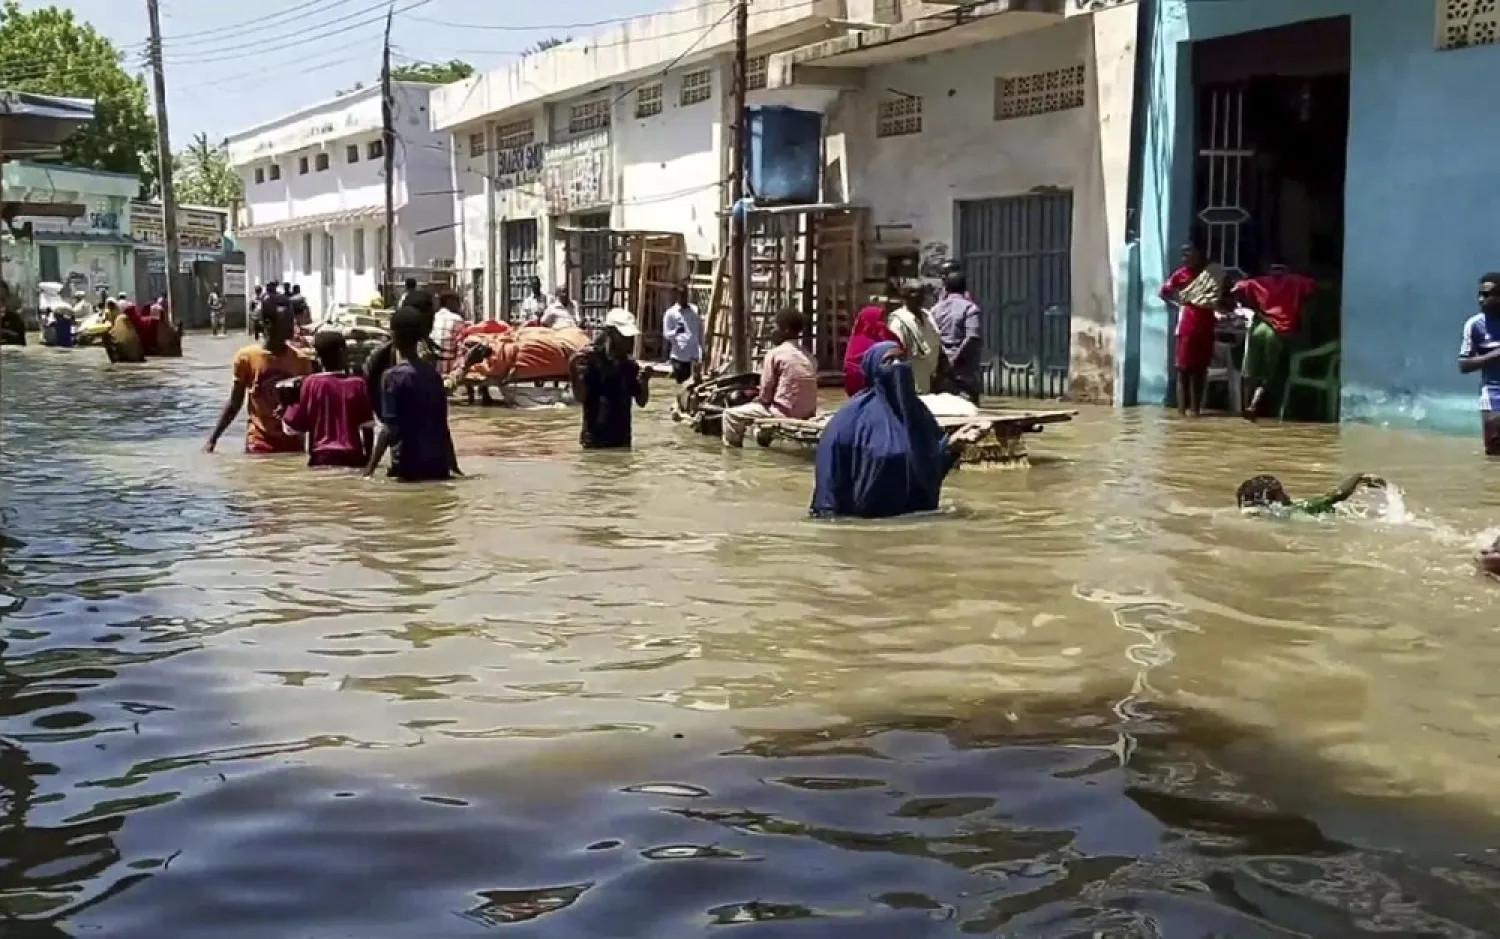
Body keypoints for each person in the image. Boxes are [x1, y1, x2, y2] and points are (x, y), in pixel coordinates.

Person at [812, 341, 987, 519]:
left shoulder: (918, 415)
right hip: (868, 530)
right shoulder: (848, 421)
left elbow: (929, 465)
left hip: (918, 526)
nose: (898, 366)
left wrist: (953, 444)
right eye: (888, 361)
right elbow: (829, 476)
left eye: (901, 359)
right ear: (873, 370)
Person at [363, 305, 460, 482]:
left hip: (408, 466)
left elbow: (388, 428)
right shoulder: (433, 375)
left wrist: (369, 469)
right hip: (438, 465)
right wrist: (453, 465)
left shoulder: (392, 377)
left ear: (394, 336)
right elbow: (443, 427)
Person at [205, 298, 313, 454]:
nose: (292, 326)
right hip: (259, 442)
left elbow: (309, 407)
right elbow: (235, 403)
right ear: (268, 324)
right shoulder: (246, 358)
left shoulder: (302, 361)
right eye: (286, 321)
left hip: (293, 445)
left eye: (292, 320)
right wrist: (213, 439)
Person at [722, 308, 819, 447]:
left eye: (774, 327)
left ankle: (732, 456)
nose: (771, 331)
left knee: (730, 415)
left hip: (782, 412)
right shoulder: (809, 357)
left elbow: (766, 395)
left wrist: (755, 398)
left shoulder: (775, 354)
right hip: (807, 413)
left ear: (785, 330)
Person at [280, 330, 375, 468]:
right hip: (353, 456)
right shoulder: (358, 384)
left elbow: (293, 427)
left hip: (321, 457)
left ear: (318, 357)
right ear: (343, 353)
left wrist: (286, 407)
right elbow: (368, 427)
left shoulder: (309, 383)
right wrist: (368, 460)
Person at [1235, 263, 1318, 419]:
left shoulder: (1260, 282)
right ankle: (1255, 405)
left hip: (1259, 328)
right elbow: (1313, 288)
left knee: (1250, 370)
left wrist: (1255, 308)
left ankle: (1245, 407)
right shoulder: (1296, 281)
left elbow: (1236, 288)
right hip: (1277, 333)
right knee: (1269, 373)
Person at [1160, 240, 1227, 417]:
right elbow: (1164, 292)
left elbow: (1225, 294)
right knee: (1183, 370)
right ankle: (1182, 412)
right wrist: (1179, 304)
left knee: (1200, 369)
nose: (1186, 257)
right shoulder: (1181, 275)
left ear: (1199, 254)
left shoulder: (1213, 274)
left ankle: (1196, 411)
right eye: (1183, 254)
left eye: (1189, 253)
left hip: (1206, 325)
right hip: (1188, 325)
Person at [570, 308, 651, 449]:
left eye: (630, 337)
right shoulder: (590, 361)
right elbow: (580, 397)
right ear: (609, 333)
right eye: (623, 336)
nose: (628, 341)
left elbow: (641, 401)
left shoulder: (630, 366)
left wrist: (644, 381)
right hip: (594, 442)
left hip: (622, 442)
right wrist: (573, 370)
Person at [1459, 272, 1500, 456]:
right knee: (1494, 452)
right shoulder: (1474, 325)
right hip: (1493, 397)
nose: (1481, 299)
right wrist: (1495, 355)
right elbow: (1464, 365)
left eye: (1487, 295)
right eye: (1480, 295)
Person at [930, 271, 983, 404]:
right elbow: (972, 337)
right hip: (963, 371)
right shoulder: (970, 308)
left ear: (946, 288)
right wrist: (953, 360)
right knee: (970, 412)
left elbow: (931, 337)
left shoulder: (935, 310)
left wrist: (944, 360)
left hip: (940, 369)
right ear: (965, 288)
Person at [1235, 473, 1386, 516]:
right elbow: (1336, 496)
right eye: (1282, 493)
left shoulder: (1251, 515)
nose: (1287, 496)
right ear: (1273, 500)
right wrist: (1359, 477)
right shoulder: (1298, 509)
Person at [887, 286, 942, 394]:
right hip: (910, 382)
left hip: (928, 379)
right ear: (905, 296)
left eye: (922, 293)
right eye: (914, 292)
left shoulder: (928, 317)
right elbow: (897, 353)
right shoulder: (899, 321)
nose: (919, 296)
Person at [843, 302, 897, 396]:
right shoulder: (881, 336)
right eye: (880, 319)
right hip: (873, 389)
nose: (881, 322)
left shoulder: (856, 339)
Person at [661, 283, 703, 383]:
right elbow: (666, 334)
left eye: (685, 294)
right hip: (679, 357)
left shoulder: (695, 310)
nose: (683, 297)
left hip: (694, 356)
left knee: (694, 386)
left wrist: (702, 349)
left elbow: (700, 330)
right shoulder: (670, 313)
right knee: (680, 385)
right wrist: (676, 332)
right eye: (680, 295)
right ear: (676, 296)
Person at [431, 291, 467, 376]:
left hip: (433, 367)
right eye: (457, 302)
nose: (459, 306)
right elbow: (461, 347)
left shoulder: (433, 317)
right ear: (450, 302)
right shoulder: (457, 319)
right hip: (449, 369)